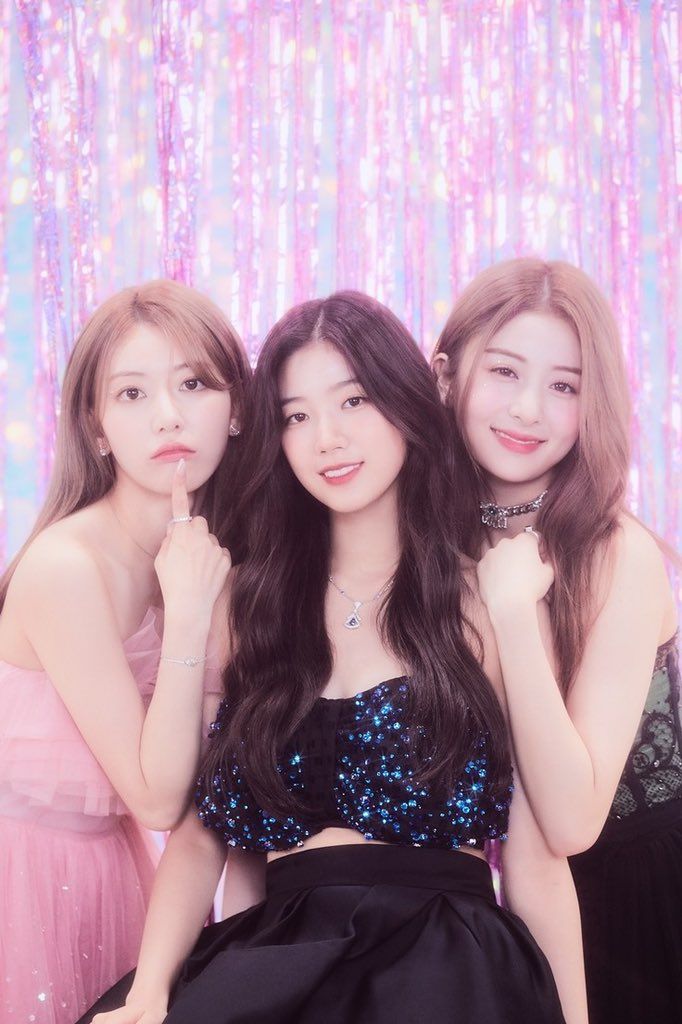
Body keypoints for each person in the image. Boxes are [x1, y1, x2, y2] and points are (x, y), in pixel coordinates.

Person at [85, 290, 587, 1024]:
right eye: (297, 415)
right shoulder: (249, 605)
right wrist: (153, 990)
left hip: (448, 962)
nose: (327, 438)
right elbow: (199, 835)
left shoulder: (487, 601)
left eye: (353, 402)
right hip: (285, 953)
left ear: (406, 407)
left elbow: (538, 860)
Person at [432, 257, 680, 1024]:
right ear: (446, 376)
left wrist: (513, 618)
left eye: (565, 385)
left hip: (640, 901)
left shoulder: (618, 554)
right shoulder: (426, 542)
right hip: (500, 916)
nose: (529, 409)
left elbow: (571, 822)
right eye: (504, 372)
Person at [0, 279, 251, 1024]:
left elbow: (213, 790)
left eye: (194, 383)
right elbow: (157, 797)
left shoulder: (210, 563)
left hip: (119, 874)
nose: (169, 417)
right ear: (98, 426)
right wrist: (191, 617)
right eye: (133, 394)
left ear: (236, 409)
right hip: (24, 875)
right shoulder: (66, 567)